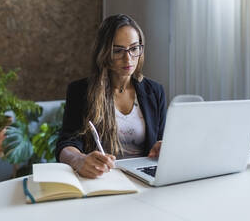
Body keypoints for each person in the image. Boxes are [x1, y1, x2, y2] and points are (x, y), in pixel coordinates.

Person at [55, 14, 167, 179]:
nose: (127, 58)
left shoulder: (155, 91)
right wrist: (79, 160)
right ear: (105, 52)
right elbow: (65, 146)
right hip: (101, 179)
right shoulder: (81, 91)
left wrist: (163, 147)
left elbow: (160, 140)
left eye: (134, 48)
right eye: (118, 50)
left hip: (143, 179)